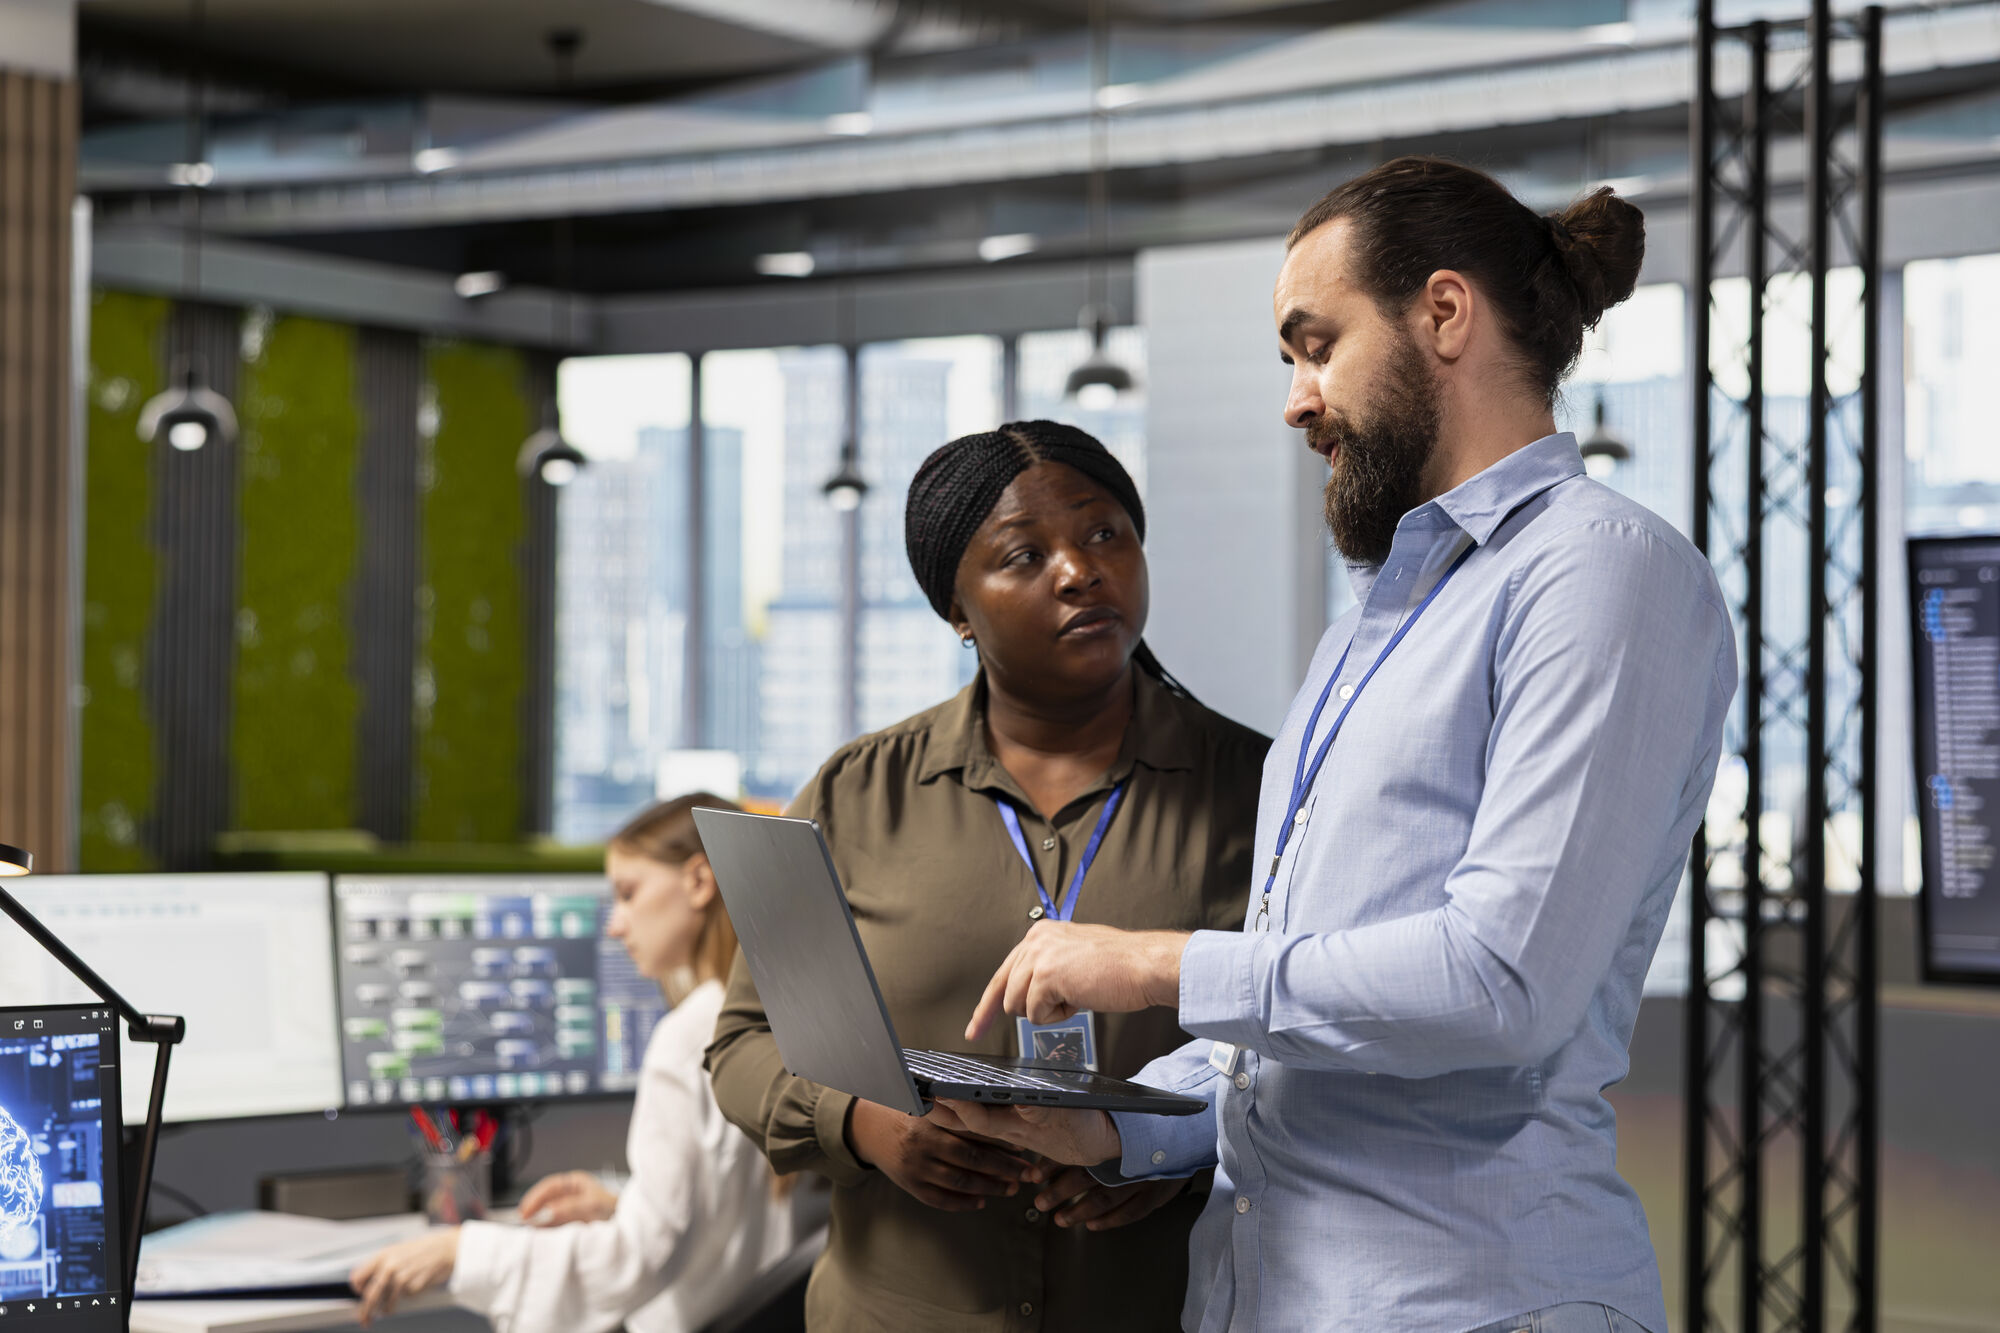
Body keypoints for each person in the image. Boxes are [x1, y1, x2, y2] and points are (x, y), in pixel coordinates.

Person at [938, 156, 1738, 1333]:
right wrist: (1112, 1123)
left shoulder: (1598, 571)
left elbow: (1501, 983)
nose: (1296, 399)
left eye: (1315, 345)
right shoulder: (1373, 621)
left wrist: (1153, 964)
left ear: (1443, 314)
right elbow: (1293, 1044)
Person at [705, 421, 1270, 1331]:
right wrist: (862, 1123)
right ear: (957, 611)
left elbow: (1312, 1046)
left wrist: (1171, 1154)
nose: (1079, 570)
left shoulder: (1260, 790)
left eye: (1103, 535)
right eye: (1023, 554)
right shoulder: (855, 792)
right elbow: (742, 1044)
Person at [348, 794, 794, 1333]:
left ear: (699, 881)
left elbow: (634, 1263)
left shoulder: (687, 1039)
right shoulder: (790, 1015)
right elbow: (731, 1218)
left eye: (628, 894)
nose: (615, 925)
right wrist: (624, 1205)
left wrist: (463, 1250)